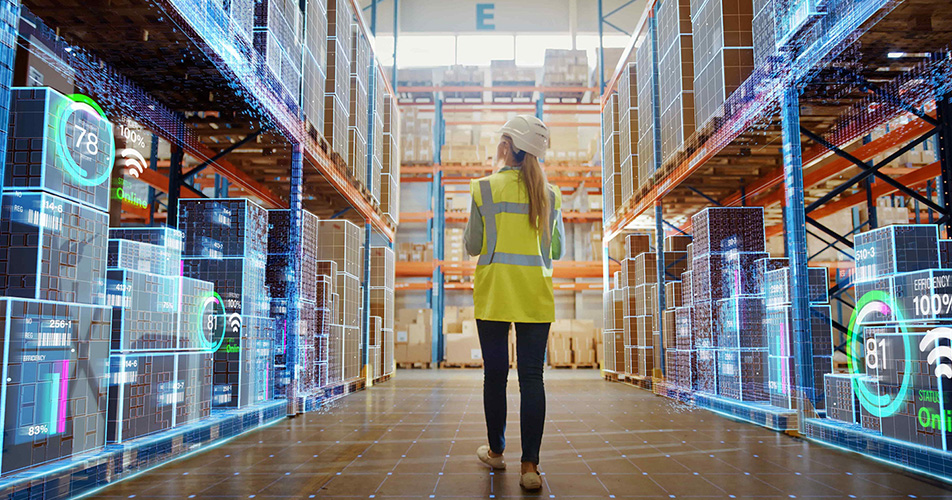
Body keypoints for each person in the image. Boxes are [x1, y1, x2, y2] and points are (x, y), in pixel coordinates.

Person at [463, 115, 565, 491]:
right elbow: (556, 249)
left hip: (493, 295)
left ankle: (495, 451)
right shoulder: (550, 195)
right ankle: (530, 468)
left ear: (508, 146)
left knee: (495, 376)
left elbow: (473, 245)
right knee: (532, 379)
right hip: (535, 297)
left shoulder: (484, 189)